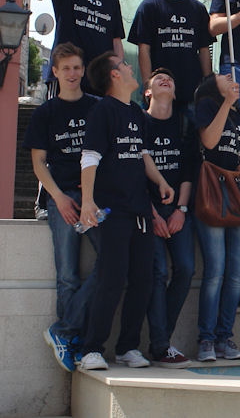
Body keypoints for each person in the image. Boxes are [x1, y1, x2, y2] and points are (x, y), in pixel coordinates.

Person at [77, 52, 175, 370]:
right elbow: (90, 157)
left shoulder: (135, 112)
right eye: (124, 65)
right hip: (113, 209)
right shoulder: (102, 111)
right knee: (112, 278)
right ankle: (92, 349)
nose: (131, 67)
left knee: (143, 279)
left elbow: (142, 154)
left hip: (140, 209)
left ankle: (128, 347)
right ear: (114, 75)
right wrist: (88, 201)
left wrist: (161, 181)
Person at [23, 43, 100, 372]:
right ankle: (72, 342)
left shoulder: (97, 107)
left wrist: (91, 197)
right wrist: (59, 198)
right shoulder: (45, 112)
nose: (72, 73)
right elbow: (38, 163)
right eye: (65, 68)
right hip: (62, 198)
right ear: (54, 72)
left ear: (83, 70)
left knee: (111, 262)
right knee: (68, 275)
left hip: (95, 199)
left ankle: (64, 330)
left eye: (76, 67)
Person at [193, 73, 240, 362]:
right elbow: (209, 142)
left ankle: (225, 336)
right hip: (212, 192)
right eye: (223, 77)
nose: (230, 78)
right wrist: (226, 105)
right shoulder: (207, 106)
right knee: (215, 271)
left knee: (235, 274)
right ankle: (206, 339)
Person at [142, 69, 197, 368]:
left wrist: (181, 210)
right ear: (147, 92)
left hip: (178, 210)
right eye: (158, 78)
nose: (165, 80)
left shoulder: (184, 122)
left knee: (186, 269)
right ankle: (161, 345)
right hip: (147, 210)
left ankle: (161, 340)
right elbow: (134, 173)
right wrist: (152, 215)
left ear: (175, 93)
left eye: (170, 80)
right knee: (158, 272)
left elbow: (189, 170)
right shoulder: (139, 122)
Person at [128, 0, 212, 111]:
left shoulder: (198, 9)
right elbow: (143, 50)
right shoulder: (149, 7)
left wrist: (208, 84)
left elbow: (204, 50)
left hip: (192, 90)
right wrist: (147, 85)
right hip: (160, 92)